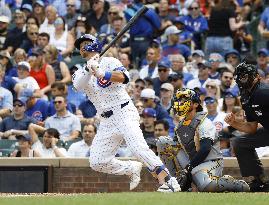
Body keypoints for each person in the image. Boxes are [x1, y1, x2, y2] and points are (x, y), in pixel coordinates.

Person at [72, 34, 181, 192]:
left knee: (138, 147)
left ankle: (168, 181)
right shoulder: (80, 72)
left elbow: (124, 78)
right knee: (97, 161)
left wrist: (103, 73)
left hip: (123, 112)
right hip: (106, 121)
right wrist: (90, 69)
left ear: (94, 45)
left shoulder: (110, 61)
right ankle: (131, 168)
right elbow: (79, 86)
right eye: (80, 45)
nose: (83, 47)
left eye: (86, 43)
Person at [157, 88, 250, 192]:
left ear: (196, 104)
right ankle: (176, 182)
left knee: (205, 186)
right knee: (163, 142)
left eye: (184, 100)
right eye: (179, 100)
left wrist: (188, 168)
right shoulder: (180, 125)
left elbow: (205, 148)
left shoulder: (204, 122)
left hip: (211, 161)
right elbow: (175, 148)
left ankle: (234, 184)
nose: (180, 103)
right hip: (192, 160)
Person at [225, 62, 269, 192]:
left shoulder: (264, 92)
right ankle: (259, 181)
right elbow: (252, 127)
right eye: (237, 77)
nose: (240, 80)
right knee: (239, 142)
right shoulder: (245, 97)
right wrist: (234, 123)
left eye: (243, 77)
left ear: (256, 77)